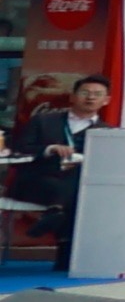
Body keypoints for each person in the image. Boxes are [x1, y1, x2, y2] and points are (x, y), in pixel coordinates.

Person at [8, 77, 108, 253]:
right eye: (85, 93)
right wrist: (50, 149)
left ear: (106, 100)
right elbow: (20, 148)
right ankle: (62, 243)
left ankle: (56, 213)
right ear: (72, 97)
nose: (91, 97)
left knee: (78, 181)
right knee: (76, 196)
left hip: (79, 185)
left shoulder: (107, 132)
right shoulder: (43, 120)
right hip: (37, 182)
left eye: (97, 94)